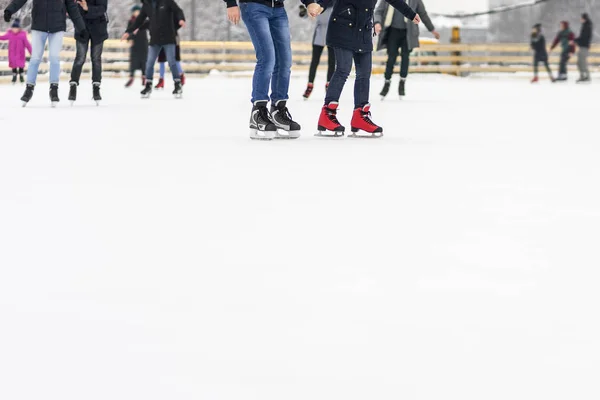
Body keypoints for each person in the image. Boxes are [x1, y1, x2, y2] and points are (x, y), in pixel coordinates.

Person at [312, 0, 420, 138]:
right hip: (343, 26)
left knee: (364, 73)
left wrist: (410, 14)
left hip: (363, 30)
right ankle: (327, 115)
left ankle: (360, 116)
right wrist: (320, 5)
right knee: (343, 70)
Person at [224, 0, 319, 140]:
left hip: (278, 9)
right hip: (253, 6)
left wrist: (309, 2)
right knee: (267, 58)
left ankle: (278, 110)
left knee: (284, 61)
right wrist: (231, 3)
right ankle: (258, 112)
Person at [3, 0, 87, 106]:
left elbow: (72, 7)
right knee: (35, 58)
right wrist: (10, 10)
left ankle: (54, 88)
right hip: (39, 26)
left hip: (57, 27)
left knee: (54, 58)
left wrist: (82, 28)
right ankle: (29, 88)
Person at [374, 0, 439, 99]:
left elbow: (423, 14)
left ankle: (402, 82)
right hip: (393, 32)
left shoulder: (415, 1)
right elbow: (378, 11)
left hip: (408, 34)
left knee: (405, 57)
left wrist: (432, 30)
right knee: (391, 58)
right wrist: (377, 23)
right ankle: (387, 83)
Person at [122, 0, 186, 99]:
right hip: (155, 39)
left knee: (172, 62)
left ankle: (177, 85)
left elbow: (178, 11)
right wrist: (128, 31)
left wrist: (181, 19)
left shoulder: (167, 2)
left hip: (168, 38)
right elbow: (139, 20)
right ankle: (148, 85)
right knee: (149, 63)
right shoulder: (147, 5)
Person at [68, 0, 108, 105]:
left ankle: (96, 87)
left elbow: (102, 8)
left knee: (96, 59)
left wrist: (87, 8)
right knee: (80, 58)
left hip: (98, 29)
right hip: (82, 28)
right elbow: (72, 7)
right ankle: (73, 85)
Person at [300, 4, 336, 99]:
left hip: (332, 32)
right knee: (315, 61)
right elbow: (309, 11)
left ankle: (329, 85)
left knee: (332, 62)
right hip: (319, 32)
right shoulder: (318, 2)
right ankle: (310, 85)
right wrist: (304, 12)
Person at [0, 18, 31, 84]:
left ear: (19, 28)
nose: (14, 30)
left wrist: (31, 52)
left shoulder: (22, 35)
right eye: (13, 28)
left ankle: (21, 77)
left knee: (21, 67)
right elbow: (3, 37)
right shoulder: (10, 34)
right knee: (13, 66)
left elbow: (27, 44)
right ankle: (14, 77)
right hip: (12, 54)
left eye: (16, 28)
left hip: (20, 54)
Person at [125, 5, 149, 88]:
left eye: (138, 12)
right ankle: (131, 78)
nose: (136, 13)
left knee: (144, 61)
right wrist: (130, 39)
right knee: (133, 62)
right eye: (135, 12)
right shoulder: (131, 21)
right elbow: (128, 31)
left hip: (143, 43)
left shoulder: (144, 20)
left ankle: (144, 78)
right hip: (134, 44)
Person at [575, 13, 593, 83]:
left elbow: (584, 37)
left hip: (584, 47)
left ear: (584, 18)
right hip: (582, 46)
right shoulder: (586, 25)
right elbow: (583, 37)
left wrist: (576, 40)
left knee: (582, 62)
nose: (580, 19)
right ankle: (583, 76)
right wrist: (576, 40)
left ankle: (587, 77)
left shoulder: (587, 26)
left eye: (581, 18)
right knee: (580, 62)